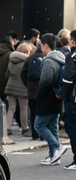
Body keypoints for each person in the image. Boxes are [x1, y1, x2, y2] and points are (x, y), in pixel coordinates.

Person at [36, 33, 66, 165]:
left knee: (39, 125)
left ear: (46, 45)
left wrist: (39, 93)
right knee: (53, 127)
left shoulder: (49, 61)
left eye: (41, 45)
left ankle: (57, 147)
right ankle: (54, 156)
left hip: (47, 97)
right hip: (57, 97)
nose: (40, 48)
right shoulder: (60, 58)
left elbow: (46, 80)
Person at [5, 43, 31, 135]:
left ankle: (7, 128)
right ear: (25, 52)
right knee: (23, 108)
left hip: (11, 87)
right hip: (22, 88)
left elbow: (6, 75)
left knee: (11, 108)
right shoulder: (26, 62)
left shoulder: (11, 61)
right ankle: (24, 128)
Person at [62, 29, 76, 169]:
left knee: (73, 129)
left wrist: (65, 97)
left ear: (72, 41)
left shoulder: (72, 56)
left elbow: (68, 79)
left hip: (74, 99)